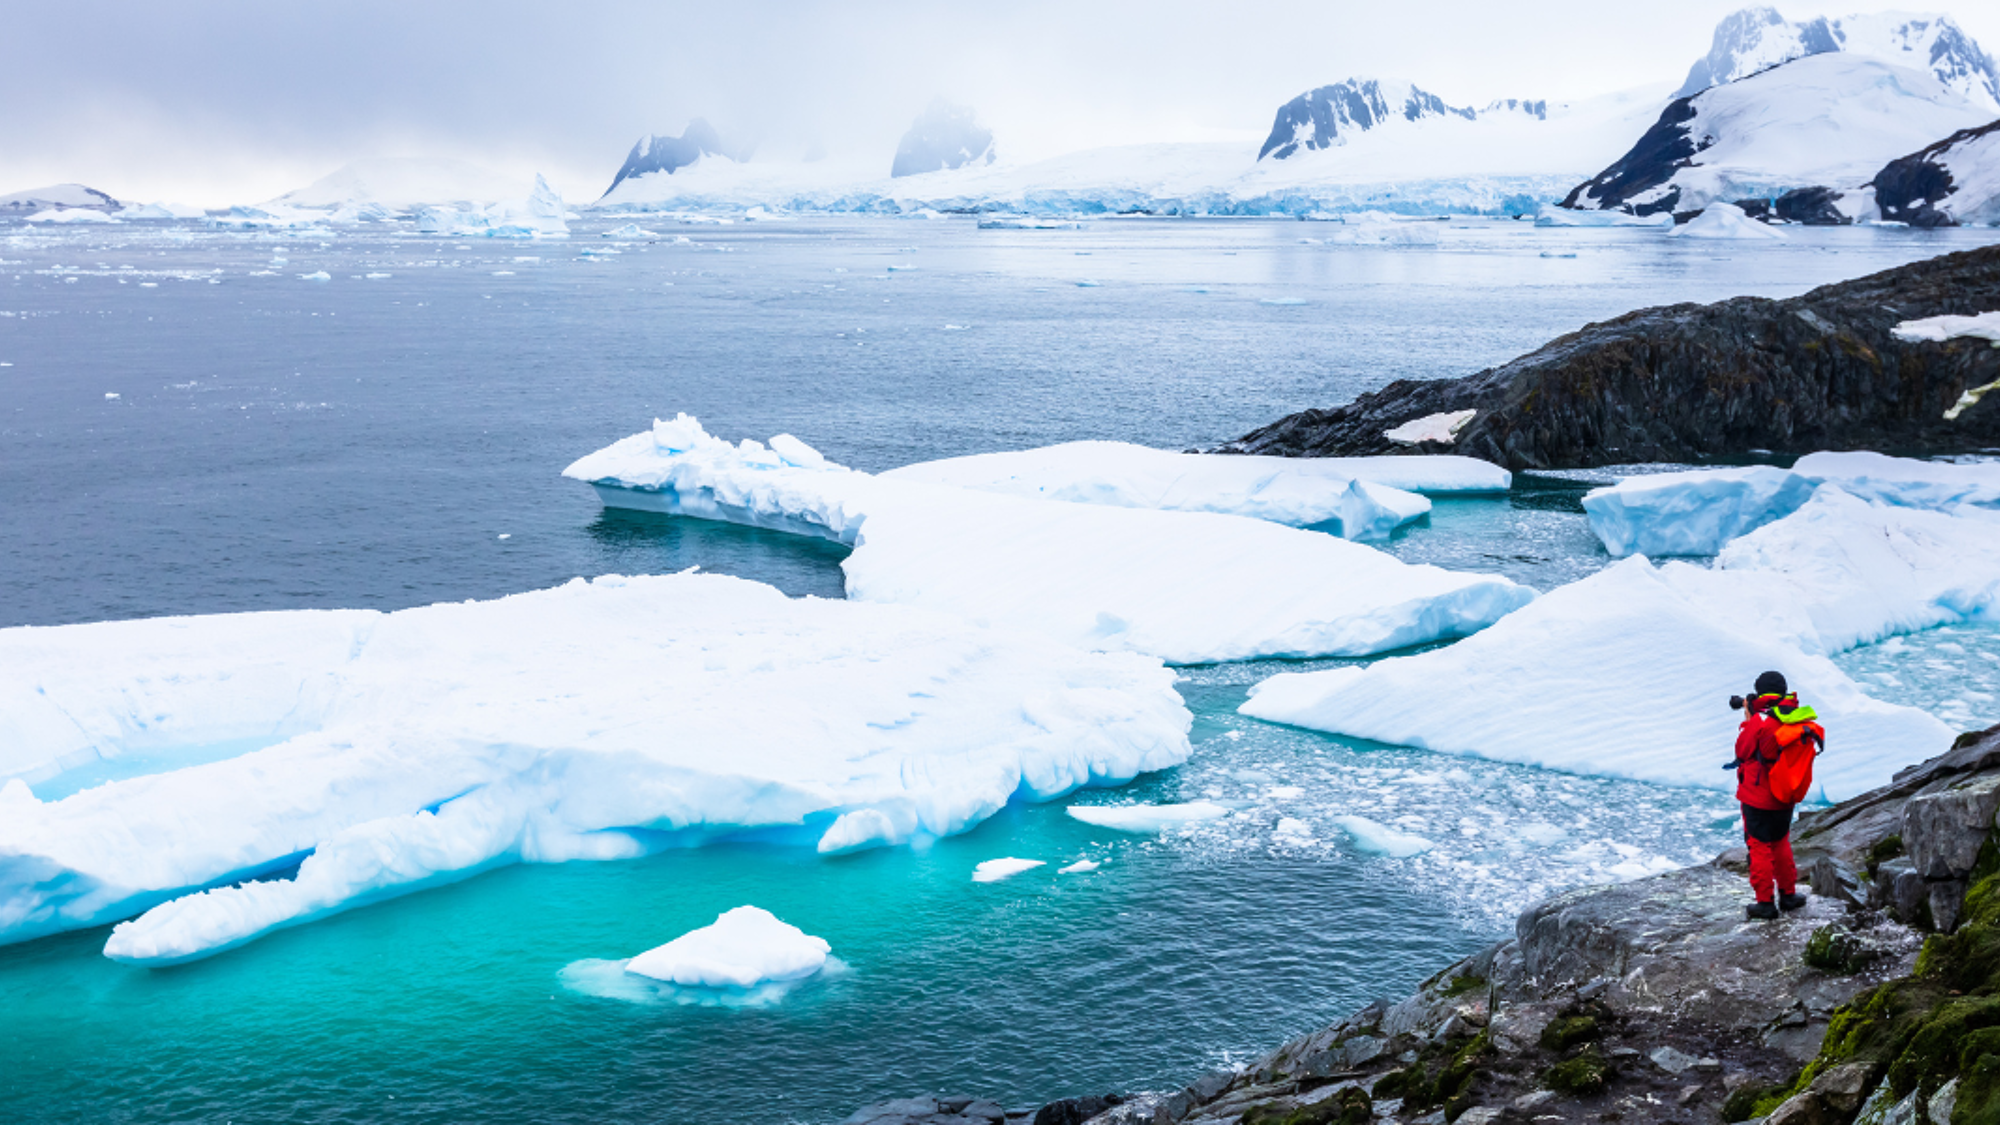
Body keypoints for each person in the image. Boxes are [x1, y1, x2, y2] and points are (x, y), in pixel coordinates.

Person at [1733, 670, 1811, 920]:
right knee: (1780, 842)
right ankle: (1788, 895)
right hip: (1786, 791)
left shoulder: (1761, 720)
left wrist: (1748, 720)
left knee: (1759, 846)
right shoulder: (1797, 717)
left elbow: (1742, 750)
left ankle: (1765, 902)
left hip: (1758, 795)